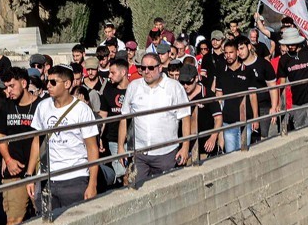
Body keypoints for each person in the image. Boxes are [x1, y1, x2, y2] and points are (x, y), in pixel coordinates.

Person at [25, 65, 100, 212]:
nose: (48, 85)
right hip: (47, 178)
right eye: (47, 81)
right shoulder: (42, 106)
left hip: (75, 178)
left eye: (53, 82)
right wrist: (30, 175)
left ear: (67, 84)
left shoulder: (82, 110)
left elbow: (92, 147)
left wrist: (92, 184)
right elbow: (37, 142)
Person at [118, 53, 191, 186]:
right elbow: (124, 118)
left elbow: (185, 117)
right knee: (135, 190)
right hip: (139, 153)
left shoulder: (174, 87)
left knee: (166, 191)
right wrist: (120, 147)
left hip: (166, 153)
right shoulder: (133, 87)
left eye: (151, 68)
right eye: (143, 67)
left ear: (159, 68)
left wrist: (185, 147)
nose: (146, 71)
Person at [0, 68, 40, 225]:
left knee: (42, 215)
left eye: (12, 86)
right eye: (6, 87)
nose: (8, 90)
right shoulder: (6, 106)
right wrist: (8, 160)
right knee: (14, 220)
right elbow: (0, 136)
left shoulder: (41, 105)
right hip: (14, 169)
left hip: (38, 169)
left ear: (24, 83)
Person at [276, 28, 308, 130]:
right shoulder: (284, 60)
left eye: (292, 43)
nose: (290, 46)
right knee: (299, 129)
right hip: (297, 102)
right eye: (288, 44)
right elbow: (281, 84)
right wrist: (279, 103)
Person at [214, 42, 257, 153]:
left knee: (245, 153)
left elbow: (253, 95)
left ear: (237, 52)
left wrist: (255, 117)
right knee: (230, 154)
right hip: (228, 121)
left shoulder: (248, 71)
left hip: (245, 120)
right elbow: (219, 97)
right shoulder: (222, 74)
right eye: (226, 53)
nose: (228, 55)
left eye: (231, 52)